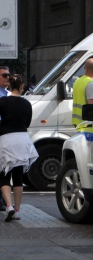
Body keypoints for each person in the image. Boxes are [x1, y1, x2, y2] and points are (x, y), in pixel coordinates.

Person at [0, 74, 39, 221]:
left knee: (4, 174)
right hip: (22, 139)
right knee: (18, 176)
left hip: (6, 138)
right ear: (22, 87)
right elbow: (27, 123)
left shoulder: (3, 102)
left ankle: (8, 205)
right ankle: (17, 210)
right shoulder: (26, 104)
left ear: (9, 85)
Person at [72, 58, 93, 126]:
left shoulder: (77, 81)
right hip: (86, 124)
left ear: (84, 68)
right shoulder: (90, 84)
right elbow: (91, 107)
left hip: (77, 122)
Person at [0, 66, 11, 211]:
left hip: (7, 133)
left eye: (8, 75)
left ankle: (3, 199)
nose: (7, 77)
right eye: (4, 75)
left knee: (4, 168)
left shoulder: (9, 95)